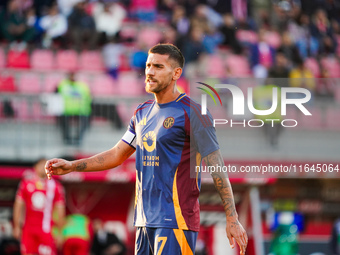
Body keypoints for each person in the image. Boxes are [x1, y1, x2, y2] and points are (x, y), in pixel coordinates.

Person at [45, 43, 248, 255]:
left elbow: (217, 167)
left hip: (175, 221)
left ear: (176, 73)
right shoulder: (141, 113)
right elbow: (116, 154)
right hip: (143, 221)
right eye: (148, 65)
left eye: (158, 67)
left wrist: (232, 217)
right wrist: (72, 166)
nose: (150, 72)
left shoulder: (194, 113)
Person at [13, 158, 65, 255]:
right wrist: (16, 226)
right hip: (28, 230)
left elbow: (60, 209)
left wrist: (60, 232)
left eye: (46, 166)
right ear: (35, 167)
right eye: (41, 165)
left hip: (46, 230)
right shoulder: (26, 183)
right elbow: (18, 205)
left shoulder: (55, 186)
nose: (43, 168)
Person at [57, 71, 92, 146]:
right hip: (66, 110)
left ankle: (79, 139)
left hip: (81, 110)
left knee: (85, 123)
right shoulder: (62, 84)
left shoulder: (83, 85)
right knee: (63, 123)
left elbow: (89, 96)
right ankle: (67, 139)